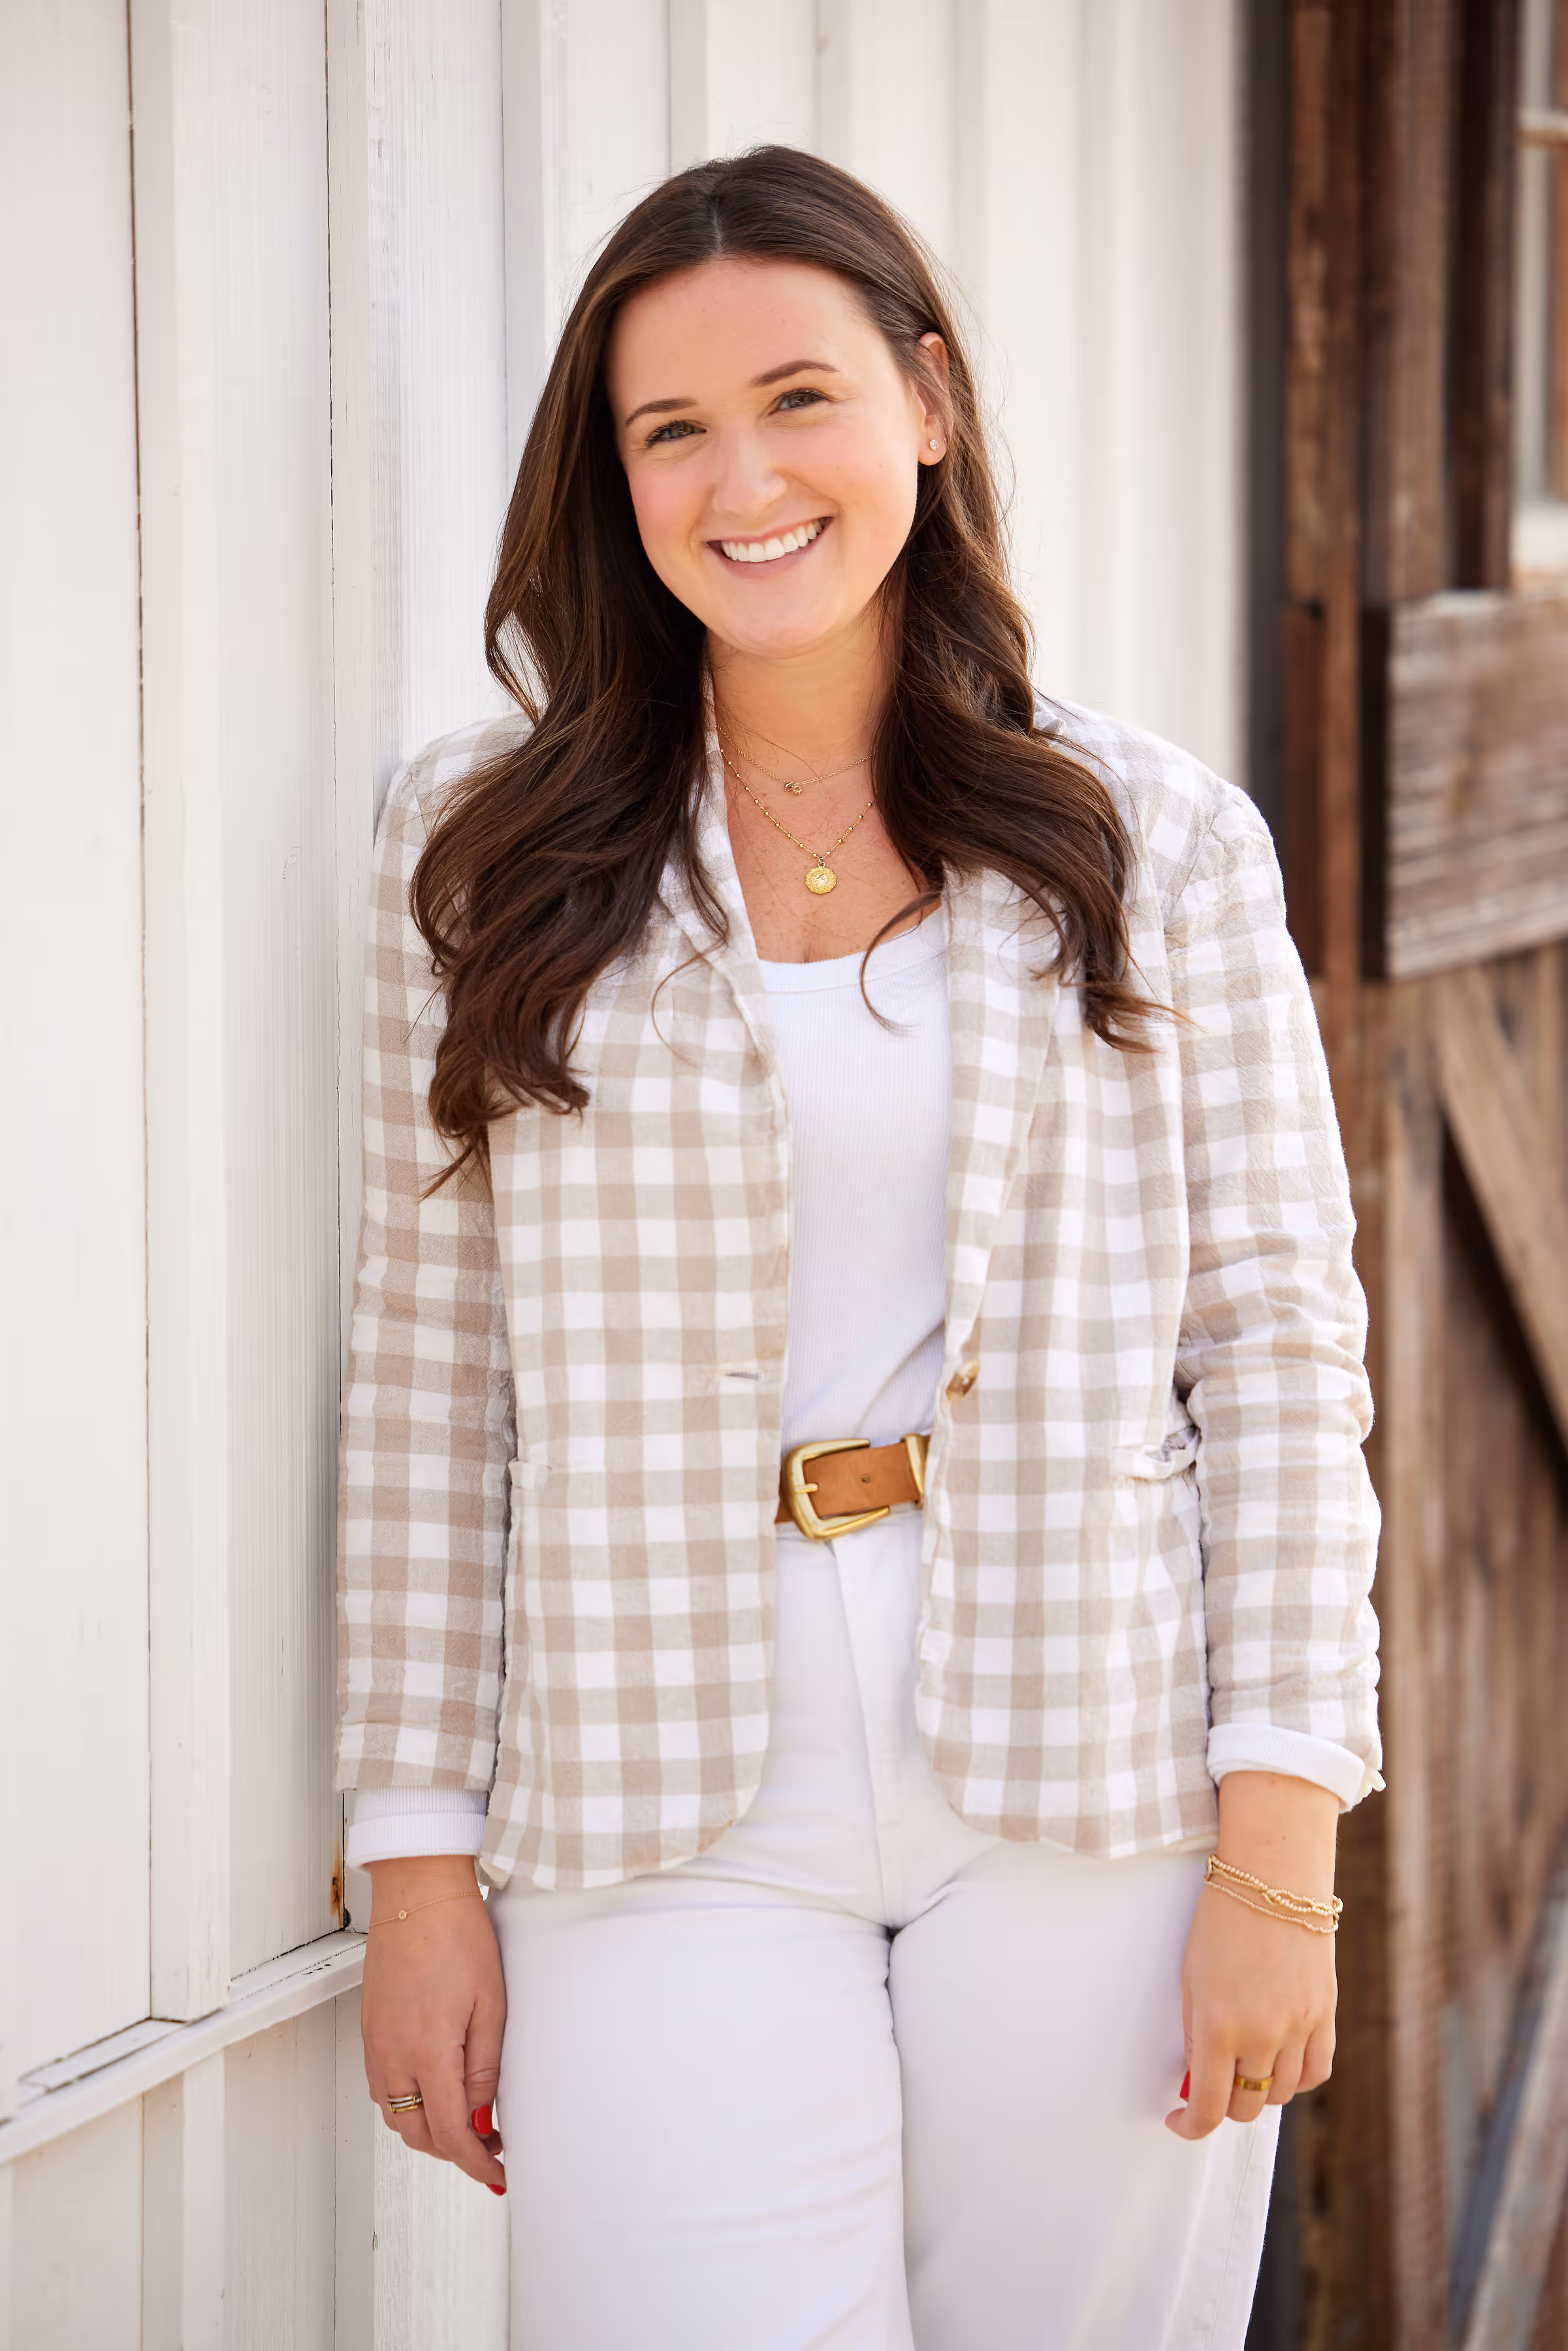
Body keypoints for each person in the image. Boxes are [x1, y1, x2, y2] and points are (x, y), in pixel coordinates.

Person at [335, 146, 1381, 2348]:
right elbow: (428, 1382)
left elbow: (1280, 1351)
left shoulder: (1157, 841)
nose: (745, 483)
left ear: (929, 399)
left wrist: (1280, 1851)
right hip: (650, 1789)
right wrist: (411, 1864)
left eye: (800, 399)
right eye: (673, 429)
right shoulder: (480, 849)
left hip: (1091, 1768)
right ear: (613, 478)